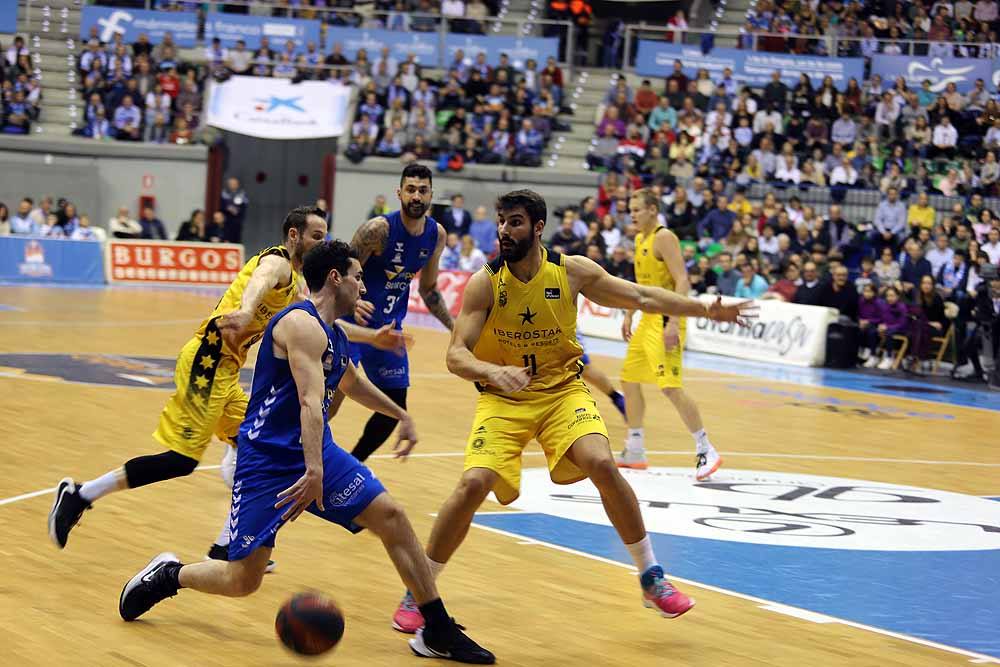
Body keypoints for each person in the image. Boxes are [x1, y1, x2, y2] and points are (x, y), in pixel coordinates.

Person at [389, 189, 754, 634]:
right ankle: (420, 590)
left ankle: (651, 576)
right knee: (472, 484)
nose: (505, 230)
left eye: (515, 222)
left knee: (602, 461)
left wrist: (704, 309)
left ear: (538, 227)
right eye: (502, 222)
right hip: (504, 399)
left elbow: (643, 296)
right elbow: (455, 356)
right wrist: (491, 371)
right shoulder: (485, 282)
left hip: (563, 392)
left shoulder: (572, 271)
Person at [116, 240, 495, 664]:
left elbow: (349, 383)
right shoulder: (299, 324)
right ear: (336, 278)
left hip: (317, 454)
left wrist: (400, 414)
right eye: (357, 278)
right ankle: (168, 576)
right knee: (242, 580)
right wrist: (313, 470)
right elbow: (310, 402)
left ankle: (437, 629)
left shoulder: (333, 332)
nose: (363, 288)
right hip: (268, 462)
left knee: (391, 516)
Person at [48, 206, 408, 566]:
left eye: (325, 236)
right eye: (316, 235)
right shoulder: (278, 262)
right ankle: (80, 495)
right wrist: (249, 312)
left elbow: (322, 323)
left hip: (226, 373)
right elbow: (260, 280)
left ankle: (227, 544)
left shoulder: (297, 286)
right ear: (294, 236)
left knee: (261, 442)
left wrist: (373, 338)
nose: (322, 242)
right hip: (206, 362)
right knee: (181, 460)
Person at [341, 164, 454, 462]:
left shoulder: (436, 235)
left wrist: (455, 330)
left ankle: (352, 467)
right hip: (352, 326)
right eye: (411, 190)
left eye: (423, 190)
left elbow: (429, 291)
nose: (416, 196)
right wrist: (353, 302)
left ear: (431, 194)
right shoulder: (377, 230)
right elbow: (341, 274)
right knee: (328, 405)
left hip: (388, 331)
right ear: (399, 193)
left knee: (393, 409)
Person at [615, 189, 725, 479]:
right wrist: (629, 312)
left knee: (670, 387)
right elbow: (641, 285)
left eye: (637, 209)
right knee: (629, 379)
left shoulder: (665, 237)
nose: (633, 215)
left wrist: (675, 322)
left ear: (652, 209)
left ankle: (705, 448)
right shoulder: (640, 240)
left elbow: (682, 279)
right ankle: (635, 447)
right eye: (631, 210)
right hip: (647, 318)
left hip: (667, 318)